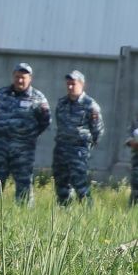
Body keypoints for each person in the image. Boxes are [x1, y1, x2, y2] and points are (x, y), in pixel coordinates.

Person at [0, 61, 50, 203]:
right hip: (0, 148)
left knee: (24, 185)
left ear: (30, 78)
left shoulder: (38, 98)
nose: (20, 80)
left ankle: (24, 213)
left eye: (23, 77)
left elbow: (45, 121)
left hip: (23, 150)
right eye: (17, 76)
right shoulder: (1, 94)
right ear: (13, 77)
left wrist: (27, 136)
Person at [52, 69, 104, 205]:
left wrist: (86, 147)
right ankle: (64, 213)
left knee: (80, 185)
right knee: (61, 185)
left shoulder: (90, 105)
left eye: (73, 84)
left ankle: (87, 215)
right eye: (68, 84)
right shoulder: (62, 103)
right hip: (61, 149)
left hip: (78, 151)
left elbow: (97, 131)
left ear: (82, 85)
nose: (70, 87)